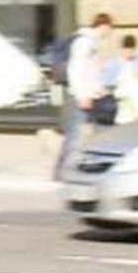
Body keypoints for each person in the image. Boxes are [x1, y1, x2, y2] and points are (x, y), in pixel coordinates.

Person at [56, 12, 113, 176]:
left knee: (95, 132)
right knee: (74, 135)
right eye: (109, 29)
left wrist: (99, 89)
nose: (109, 33)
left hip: (91, 96)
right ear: (103, 26)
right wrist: (82, 95)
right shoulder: (84, 42)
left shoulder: (93, 43)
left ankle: (83, 167)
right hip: (81, 97)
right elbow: (76, 70)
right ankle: (63, 172)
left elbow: (91, 72)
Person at [102, 33, 138, 124]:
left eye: (131, 50)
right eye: (126, 50)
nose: (129, 53)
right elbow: (107, 82)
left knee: (137, 89)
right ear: (122, 49)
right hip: (120, 94)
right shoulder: (114, 63)